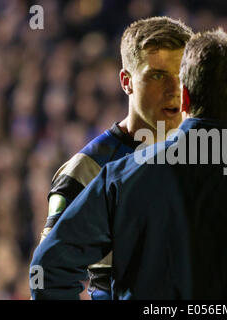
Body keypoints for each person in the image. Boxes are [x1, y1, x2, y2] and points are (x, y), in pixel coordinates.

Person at [31, 29, 227, 299]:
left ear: (185, 97)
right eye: (157, 75)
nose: (170, 91)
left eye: (176, 78)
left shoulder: (121, 178)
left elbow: (49, 270)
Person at [35, 16, 193, 300]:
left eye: (181, 75)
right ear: (126, 82)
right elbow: (48, 275)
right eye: (156, 75)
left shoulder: (208, 156)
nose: (173, 89)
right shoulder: (87, 169)